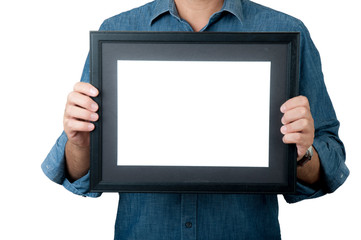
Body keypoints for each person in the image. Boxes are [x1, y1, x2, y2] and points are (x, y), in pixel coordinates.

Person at [42, 0, 349, 239]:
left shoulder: (286, 31)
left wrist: (304, 152)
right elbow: (81, 168)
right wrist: (79, 142)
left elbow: (328, 166)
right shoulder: (116, 31)